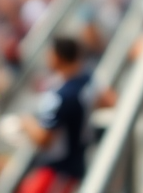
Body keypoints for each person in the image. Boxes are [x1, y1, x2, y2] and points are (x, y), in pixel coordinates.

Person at [18, 36, 114, 193]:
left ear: (58, 56)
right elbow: (110, 100)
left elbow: (44, 139)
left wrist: (26, 122)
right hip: (76, 160)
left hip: (61, 170)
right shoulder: (87, 79)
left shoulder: (62, 96)